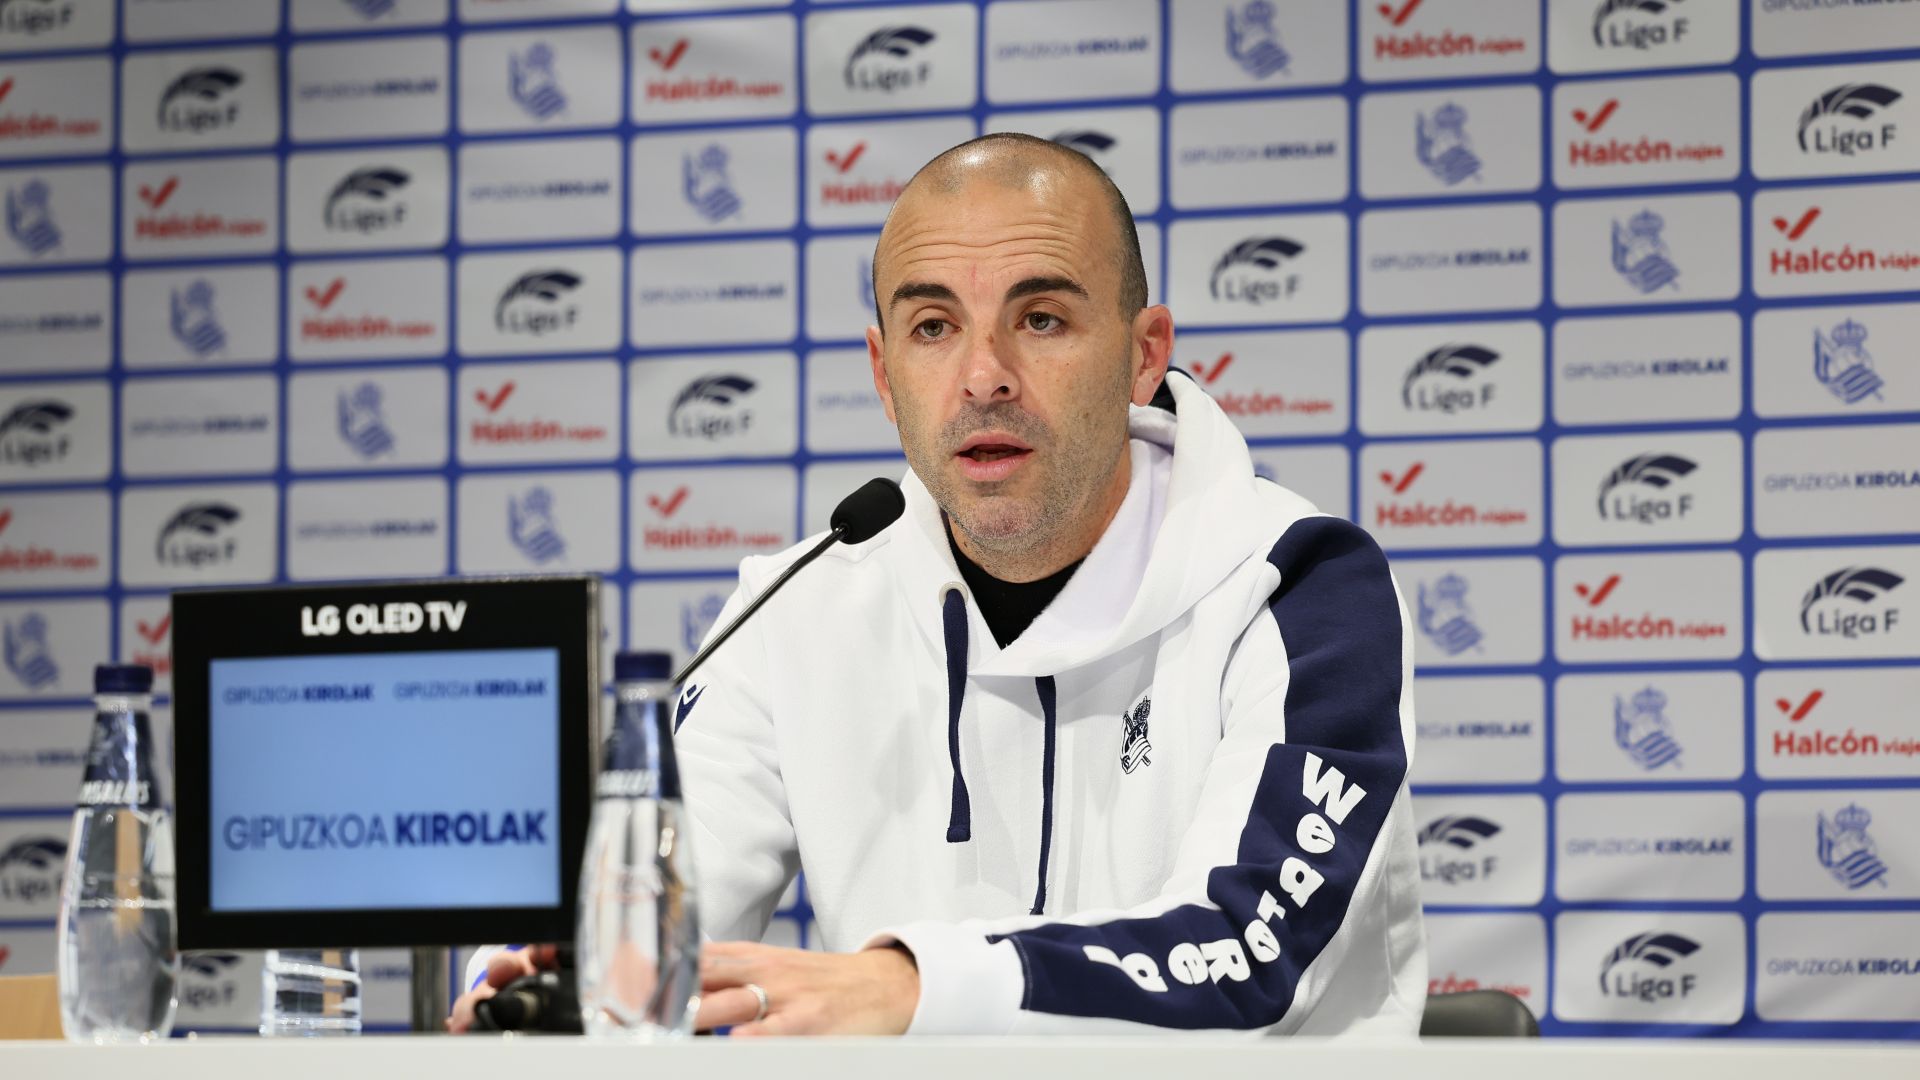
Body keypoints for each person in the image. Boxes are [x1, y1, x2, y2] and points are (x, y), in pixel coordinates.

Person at [453, 133, 1425, 1037]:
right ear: (884, 374)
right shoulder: (795, 603)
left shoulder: (1298, 585)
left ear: (1144, 353)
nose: (984, 375)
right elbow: (661, 914)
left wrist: (911, 987)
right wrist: (556, 981)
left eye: (1040, 318)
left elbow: (1251, 953)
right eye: (932, 326)